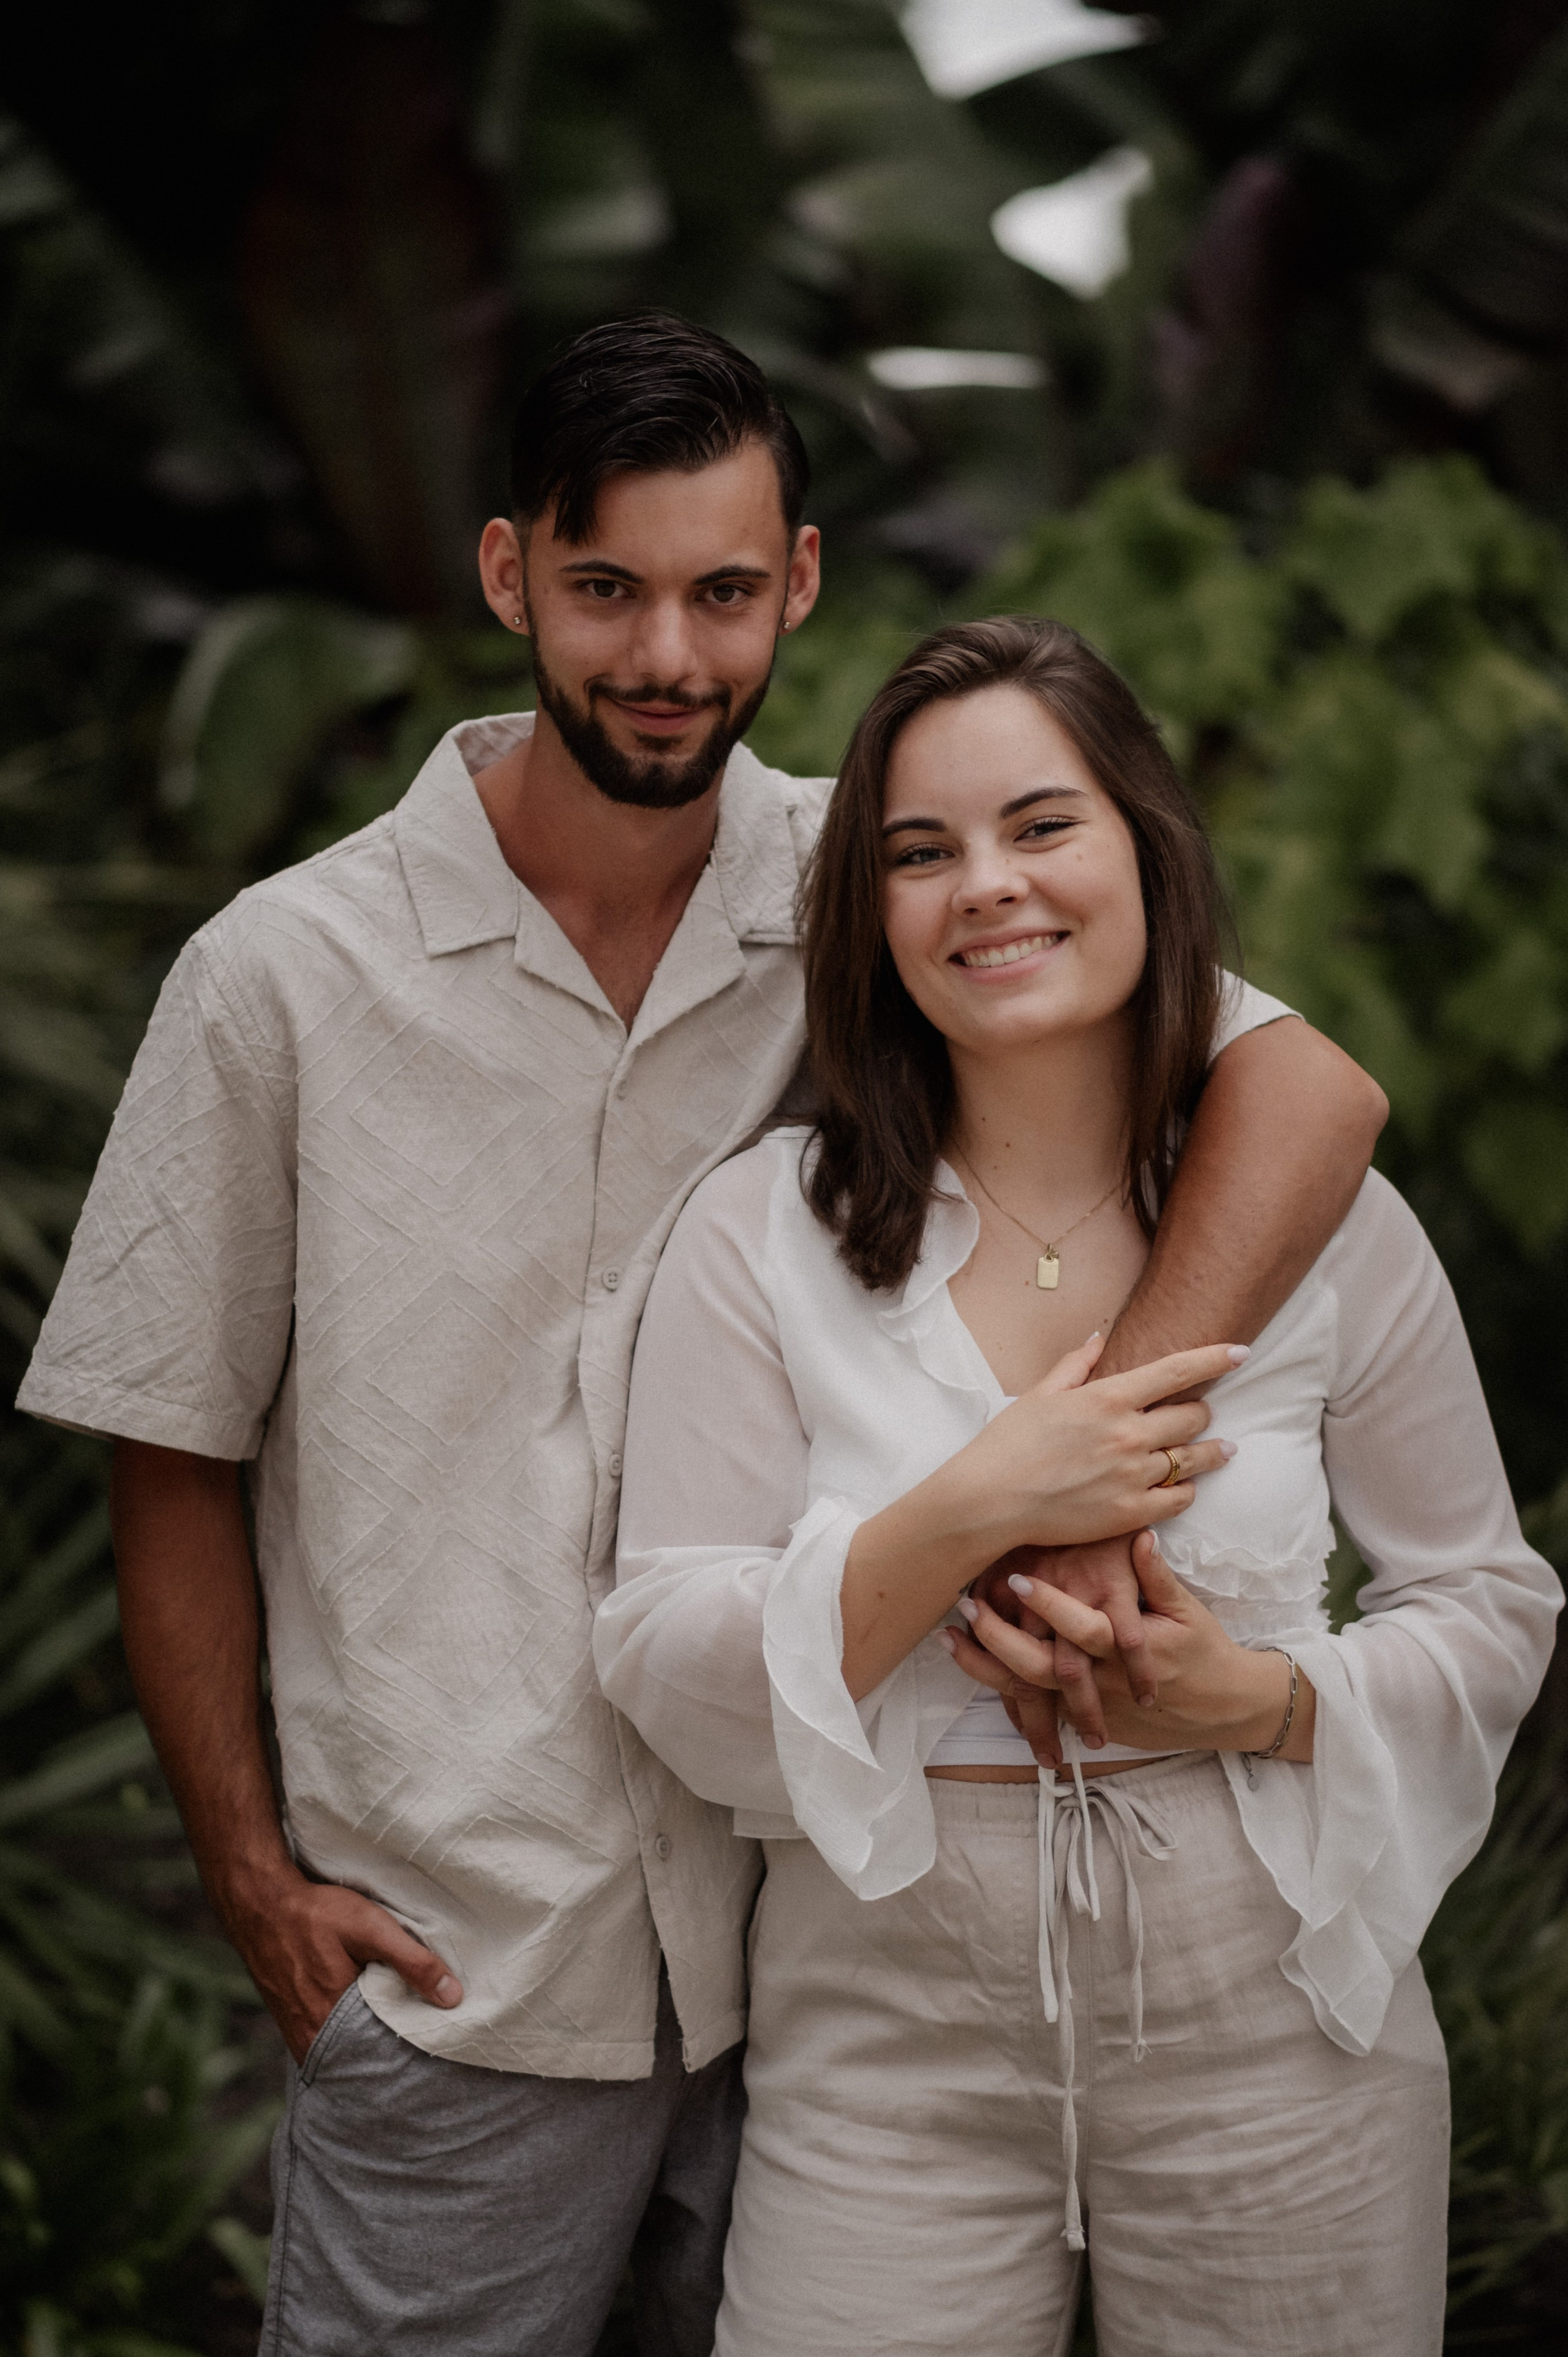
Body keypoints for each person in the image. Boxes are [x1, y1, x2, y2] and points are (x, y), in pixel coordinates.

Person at [20, 321, 1384, 2357]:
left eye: (722, 592)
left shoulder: (893, 894)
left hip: (836, 1954)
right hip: (470, 1971)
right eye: (607, 590)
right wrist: (250, 1874)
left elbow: (1304, 1094)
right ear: (509, 578)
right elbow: (171, 1447)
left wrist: (1090, 1480)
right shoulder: (278, 983)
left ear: (798, 587)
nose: (668, 652)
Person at [594, 616, 1561, 2357]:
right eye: (918, 850)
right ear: (870, 918)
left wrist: (1257, 1699)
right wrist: (971, 1511)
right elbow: (661, 1642)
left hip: (1280, 2021)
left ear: (1145, 851)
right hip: (886, 2041)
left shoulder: (1328, 1228)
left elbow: (1491, 1603)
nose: (986, 887)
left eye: (1042, 826)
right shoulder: (765, 1235)